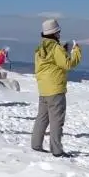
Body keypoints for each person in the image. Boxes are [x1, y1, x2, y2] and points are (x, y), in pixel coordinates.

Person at [31, 19, 82, 157]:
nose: (59, 34)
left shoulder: (39, 49)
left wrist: (62, 51)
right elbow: (68, 64)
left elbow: (48, 64)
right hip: (56, 89)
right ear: (54, 33)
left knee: (42, 118)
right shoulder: (55, 48)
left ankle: (35, 145)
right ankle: (57, 150)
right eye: (58, 32)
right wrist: (76, 51)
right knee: (56, 121)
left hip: (43, 88)